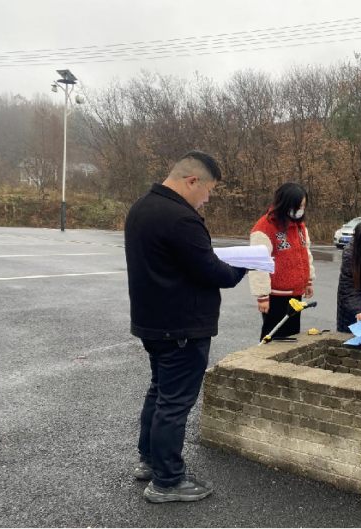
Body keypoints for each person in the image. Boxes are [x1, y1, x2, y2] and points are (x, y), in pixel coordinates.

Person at [124, 150, 246, 503]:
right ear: (192, 181)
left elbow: (185, 261)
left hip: (152, 322)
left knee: (160, 393)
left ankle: (150, 461)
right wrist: (245, 264)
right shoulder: (181, 218)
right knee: (174, 404)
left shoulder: (141, 207)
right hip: (181, 327)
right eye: (208, 191)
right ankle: (167, 481)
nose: (207, 199)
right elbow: (215, 273)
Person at [249, 183, 315, 341]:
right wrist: (262, 296)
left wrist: (308, 280)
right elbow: (258, 263)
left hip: (295, 293)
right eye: (298, 206)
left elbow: (305, 253)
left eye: (303, 206)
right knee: (273, 336)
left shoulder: (299, 226)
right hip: (276, 295)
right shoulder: (265, 227)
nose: (301, 209)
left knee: (291, 336)